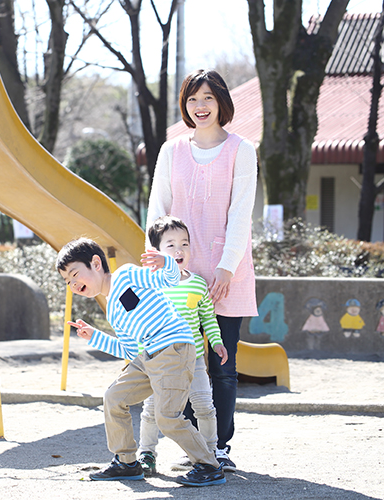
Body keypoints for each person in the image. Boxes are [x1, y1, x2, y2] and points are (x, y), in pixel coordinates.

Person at [146, 69, 258, 472]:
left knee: (222, 366)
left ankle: (220, 447)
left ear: (221, 102)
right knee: (182, 362)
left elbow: (242, 214)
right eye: (193, 99)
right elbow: (157, 209)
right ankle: (197, 444)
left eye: (208, 98)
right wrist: (157, 262)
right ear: (185, 105)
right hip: (177, 277)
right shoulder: (171, 151)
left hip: (228, 274)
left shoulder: (242, 149)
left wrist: (227, 269)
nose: (200, 106)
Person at [56, 237, 226, 487]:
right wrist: (96, 337)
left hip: (172, 349)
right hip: (147, 357)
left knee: (167, 417)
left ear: (95, 263)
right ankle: (126, 462)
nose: (72, 284)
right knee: (114, 398)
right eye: (67, 281)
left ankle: (209, 466)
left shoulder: (126, 276)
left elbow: (168, 279)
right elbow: (128, 348)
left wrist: (167, 261)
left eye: (74, 274)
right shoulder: (112, 309)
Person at [136, 216, 228, 476]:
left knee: (204, 406)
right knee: (152, 409)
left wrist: (217, 343)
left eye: (185, 244)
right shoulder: (149, 283)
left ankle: (208, 453)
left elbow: (208, 319)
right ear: (156, 252)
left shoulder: (198, 283)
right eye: (171, 245)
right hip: (159, 360)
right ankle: (147, 453)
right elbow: (137, 317)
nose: (179, 250)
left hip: (195, 359)